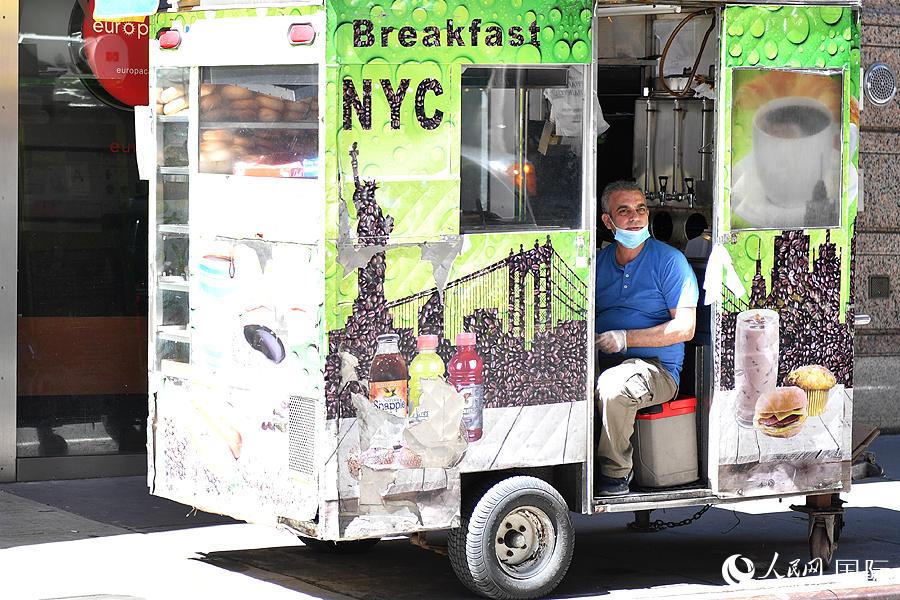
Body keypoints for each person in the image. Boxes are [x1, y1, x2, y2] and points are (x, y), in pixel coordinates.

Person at [595, 181, 699, 496]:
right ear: (608, 221)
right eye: (624, 211)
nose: (635, 217)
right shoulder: (598, 263)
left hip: (657, 370)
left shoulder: (669, 261)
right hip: (600, 360)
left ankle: (614, 474)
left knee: (614, 386)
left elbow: (685, 328)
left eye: (640, 209)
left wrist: (625, 338)